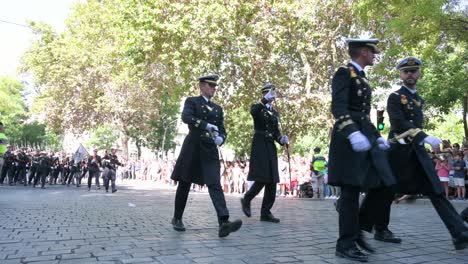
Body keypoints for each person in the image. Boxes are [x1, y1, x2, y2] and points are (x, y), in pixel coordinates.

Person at [386, 56, 468, 250]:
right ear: (401, 75)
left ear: (419, 74)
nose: (410, 74)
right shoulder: (395, 97)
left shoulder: (417, 99)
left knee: (436, 190)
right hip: (399, 153)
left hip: (416, 153)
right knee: (383, 191)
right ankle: (372, 225)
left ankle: (459, 233)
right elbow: (398, 123)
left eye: (413, 71)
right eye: (406, 71)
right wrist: (423, 136)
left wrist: (421, 140)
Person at [328, 38, 396, 262]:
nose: (375, 56)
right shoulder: (343, 73)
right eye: (373, 52)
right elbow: (338, 107)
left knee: (385, 183)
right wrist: (352, 133)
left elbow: (365, 114)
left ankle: (357, 230)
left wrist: (377, 137)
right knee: (350, 192)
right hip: (349, 139)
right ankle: (345, 243)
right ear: (364, 52)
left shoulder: (362, 78)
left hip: (364, 134)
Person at [170, 74, 242, 238]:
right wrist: (205, 125)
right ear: (201, 86)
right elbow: (186, 117)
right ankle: (177, 218)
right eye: (210, 85)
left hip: (209, 149)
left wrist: (221, 138)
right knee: (185, 182)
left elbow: (222, 129)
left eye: (215, 86)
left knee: (214, 183)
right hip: (193, 146)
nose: (213, 88)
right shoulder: (192, 101)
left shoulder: (218, 109)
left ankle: (224, 222)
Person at [240, 84, 289, 223]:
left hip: (270, 145)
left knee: (272, 178)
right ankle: (247, 198)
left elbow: (275, 132)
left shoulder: (274, 113)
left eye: (273, 93)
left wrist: (281, 139)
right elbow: (253, 112)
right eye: (270, 93)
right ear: (264, 94)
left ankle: (266, 212)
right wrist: (263, 100)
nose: (272, 96)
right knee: (262, 176)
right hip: (260, 144)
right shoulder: (258, 107)